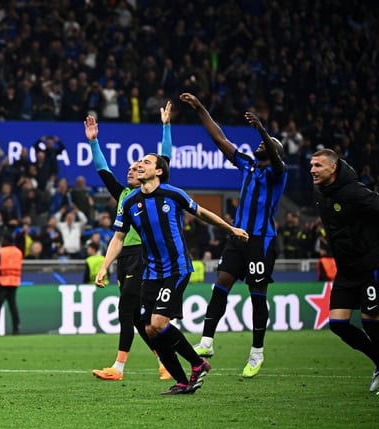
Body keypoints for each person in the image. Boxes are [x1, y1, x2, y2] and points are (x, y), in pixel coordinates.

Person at [95, 153, 249, 395]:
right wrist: (104, 266)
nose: (139, 165)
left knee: (158, 323)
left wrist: (230, 228)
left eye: (146, 162)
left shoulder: (173, 194)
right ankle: (181, 381)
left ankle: (198, 364)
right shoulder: (129, 202)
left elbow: (202, 213)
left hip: (176, 268)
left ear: (158, 171)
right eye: (139, 162)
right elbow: (118, 238)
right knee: (148, 329)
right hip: (151, 272)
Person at [180, 92, 287, 378]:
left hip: (261, 241)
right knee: (221, 285)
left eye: (268, 143)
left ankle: (256, 353)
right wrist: (201, 108)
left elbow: (277, 161)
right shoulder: (247, 166)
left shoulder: (278, 174)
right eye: (262, 142)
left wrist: (263, 130)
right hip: (237, 237)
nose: (262, 144)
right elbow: (220, 139)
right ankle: (206, 341)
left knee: (257, 296)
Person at [85, 104, 173, 382]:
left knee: (126, 309)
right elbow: (102, 169)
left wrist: (166, 127)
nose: (132, 170)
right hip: (125, 257)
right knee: (136, 318)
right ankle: (165, 363)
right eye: (131, 168)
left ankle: (118, 368)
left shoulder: (153, 193)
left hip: (143, 256)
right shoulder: (124, 195)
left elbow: (165, 158)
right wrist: (93, 142)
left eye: (138, 167)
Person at [309, 148, 379, 393]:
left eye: (318, 165)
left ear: (333, 167)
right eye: (311, 165)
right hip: (346, 270)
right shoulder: (320, 193)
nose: (312, 170)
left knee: (371, 320)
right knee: (338, 324)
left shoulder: (355, 191)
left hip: (370, 265)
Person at [0, 233, 23, 336]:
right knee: (13, 307)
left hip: (2, 282)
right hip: (14, 282)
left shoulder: (1, 252)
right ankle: (16, 329)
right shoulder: (18, 252)